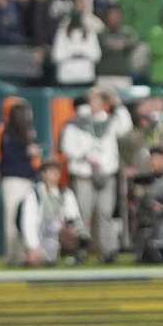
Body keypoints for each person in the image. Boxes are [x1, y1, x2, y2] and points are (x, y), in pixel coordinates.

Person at [61, 88, 131, 262]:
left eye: (99, 99)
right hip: (84, 173)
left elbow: (126, 127)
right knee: (83, 213)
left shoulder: (110, 120)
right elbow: (67, 147)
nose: (94, 103)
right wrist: (85, 155)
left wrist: (118, 103)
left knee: (105, 213)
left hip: (106, 174)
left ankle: (108, 251)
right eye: (92, 99)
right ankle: (81, 250)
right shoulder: (76, 123)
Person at [17, 159, 88, 266]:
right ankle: (32, 255)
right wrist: (34, 247)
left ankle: (72, 254)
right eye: (51, 171)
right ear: (43, 174)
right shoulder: (34, 194)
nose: (55, 174)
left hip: (58, 236)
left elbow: (74, 218)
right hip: (40, 236)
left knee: (72, 231)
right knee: (34, 261)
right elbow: (28, 224)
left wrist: (78, 237)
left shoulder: (66, 193)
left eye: (57, 171)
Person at [0, 99, 41, 265]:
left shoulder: (26, 133)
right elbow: (8, 158)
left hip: (28, 180)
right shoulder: (6, 132)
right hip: (13, 181)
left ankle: (24, 255)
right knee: (12, 220)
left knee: (28, 219)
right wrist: (27, 152)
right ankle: (11, 256)